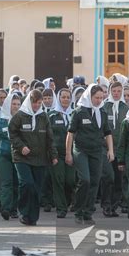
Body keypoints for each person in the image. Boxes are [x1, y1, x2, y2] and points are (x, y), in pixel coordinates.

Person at [66, 84, 114, 225]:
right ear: (89, 96)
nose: (99, 100)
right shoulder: (79, 112)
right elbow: (70, 134)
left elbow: (108, 133)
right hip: (81, 150)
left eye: (101, 98)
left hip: (97, 151)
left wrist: (111, 151)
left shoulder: (102, 112)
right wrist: (68, 153)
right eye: (96, 98)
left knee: (94, 181)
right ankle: (78, 210)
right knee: (85, 180)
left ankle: (88, 213)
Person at [9, 90, 58, 226]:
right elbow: (12, 134)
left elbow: (50, 138)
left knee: (36, 188)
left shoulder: (44, 116)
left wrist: (53, 155)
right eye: (34, 102)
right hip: (22, 158)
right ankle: (24, 212)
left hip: (40, 158)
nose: (36, 105)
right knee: (27, 184)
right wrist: (21, 146)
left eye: (39, 103)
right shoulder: (19, 116)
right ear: (29, 102)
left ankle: (33, 217)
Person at [0, 93, 21, 220]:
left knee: (16, 183)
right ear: (8, 104)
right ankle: (6, 208)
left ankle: (14, 209)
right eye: (13, 104)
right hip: (3, 155)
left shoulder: (23, 120)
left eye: (18, 104)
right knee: (6, 182)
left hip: (18, 156)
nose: (16, 107)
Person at [101, 82, 129, 216]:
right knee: (108, 177)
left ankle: (114, 205)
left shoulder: (126, 108)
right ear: (110, 91)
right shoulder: (105, 106)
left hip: (121, 149)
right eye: (114, 91)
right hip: (106, 148)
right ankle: (106, 204)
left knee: (119, 179)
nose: (117, 93)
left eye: (119, 91)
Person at [48, 89, 75, 218]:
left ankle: (68, 201)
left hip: (71, 153)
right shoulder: (51, 115)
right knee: (58, 180)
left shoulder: (75, 114)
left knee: (70, 180)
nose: (65, 99)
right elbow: (48, 137)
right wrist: (52, 154)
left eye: (68, 97)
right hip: (56, 153)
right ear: (58, 99)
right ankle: (61, 208)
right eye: (63, 97)